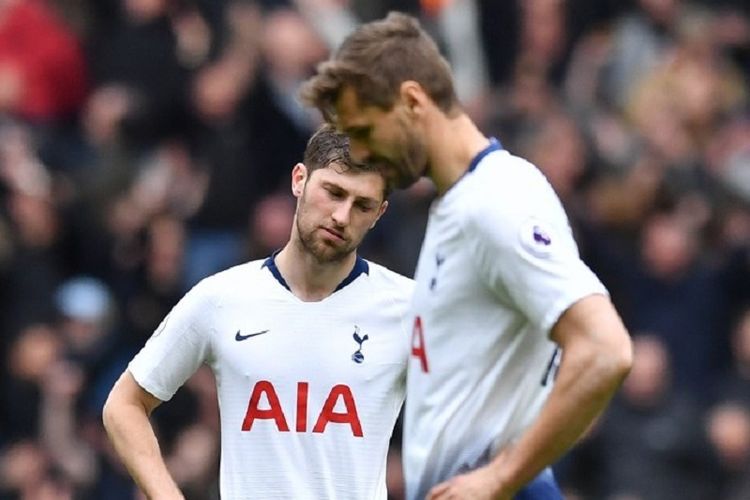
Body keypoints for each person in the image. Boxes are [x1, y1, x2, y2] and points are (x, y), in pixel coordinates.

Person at [301, 12, 633, 500]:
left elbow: (605, 350)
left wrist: (500, 478)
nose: (365, 153)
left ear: (413, 101)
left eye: (367, 130)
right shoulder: (455, 206)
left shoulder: (497, 198)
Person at [102, 124, 414, 499]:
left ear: (380, 213)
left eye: (362, 205)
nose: (342, 216)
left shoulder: (410, 309)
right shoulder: (221, 298)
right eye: (333, 192)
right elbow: (124, 405)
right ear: (300, 180)